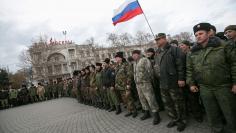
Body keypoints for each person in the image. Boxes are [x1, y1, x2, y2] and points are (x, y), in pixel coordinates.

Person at [186, 22, 236, 133]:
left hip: (223, 87)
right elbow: (189, 69)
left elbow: (234, 64)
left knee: (230, 113)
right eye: (196, 34)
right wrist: (191, 83)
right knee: (212, 113)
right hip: (205, 88)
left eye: (201, 33)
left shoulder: (223, 45)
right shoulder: (193, 51)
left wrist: (235, 83)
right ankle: (217, 130)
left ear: (209, 33)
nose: (198, 36)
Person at [155, 33, 186, 132]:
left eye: (158, 39)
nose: (156, 41)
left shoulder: (174, 49)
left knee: (178, 102)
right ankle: (174, 119)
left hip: (173, 81)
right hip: (163, 82)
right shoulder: (158, 52)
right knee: (167, 103)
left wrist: (181, 78)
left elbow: (180, 65)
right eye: (156, 40)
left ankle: (182, 121)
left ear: (164, 39)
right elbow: (156, 66)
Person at [132, 50, 161, 125]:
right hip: (138, 84)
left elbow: (150, 71)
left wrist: (149, 80)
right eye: (133, 55)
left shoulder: (144, 60)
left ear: (139, 54)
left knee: (150, 99)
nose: (133, 56)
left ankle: (156, 115)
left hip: (146, 83)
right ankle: (146, 112)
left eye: (135, 54)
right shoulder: (135, 63)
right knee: (142, 99)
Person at [179, 40, 203, 123]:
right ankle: (191, 112)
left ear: (188, 46)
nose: (180, 46)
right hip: (183, 80)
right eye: (180, 45)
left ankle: (198, 115)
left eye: (182, 45)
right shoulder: (180, 55)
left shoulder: (192, 53)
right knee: (186, 98)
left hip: (192, 80)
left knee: (194, 99)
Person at [115, 52, 137, 117]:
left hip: (125, 85)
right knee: (124, 99)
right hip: (120, 86)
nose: (115, 59)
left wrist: (128, 84)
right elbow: (117, 76)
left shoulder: (126, 64)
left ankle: (134, 111)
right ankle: (129, 110)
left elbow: (129, 75)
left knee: (129, 98)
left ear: (120, 58)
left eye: (116, 57)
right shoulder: (118, 65)